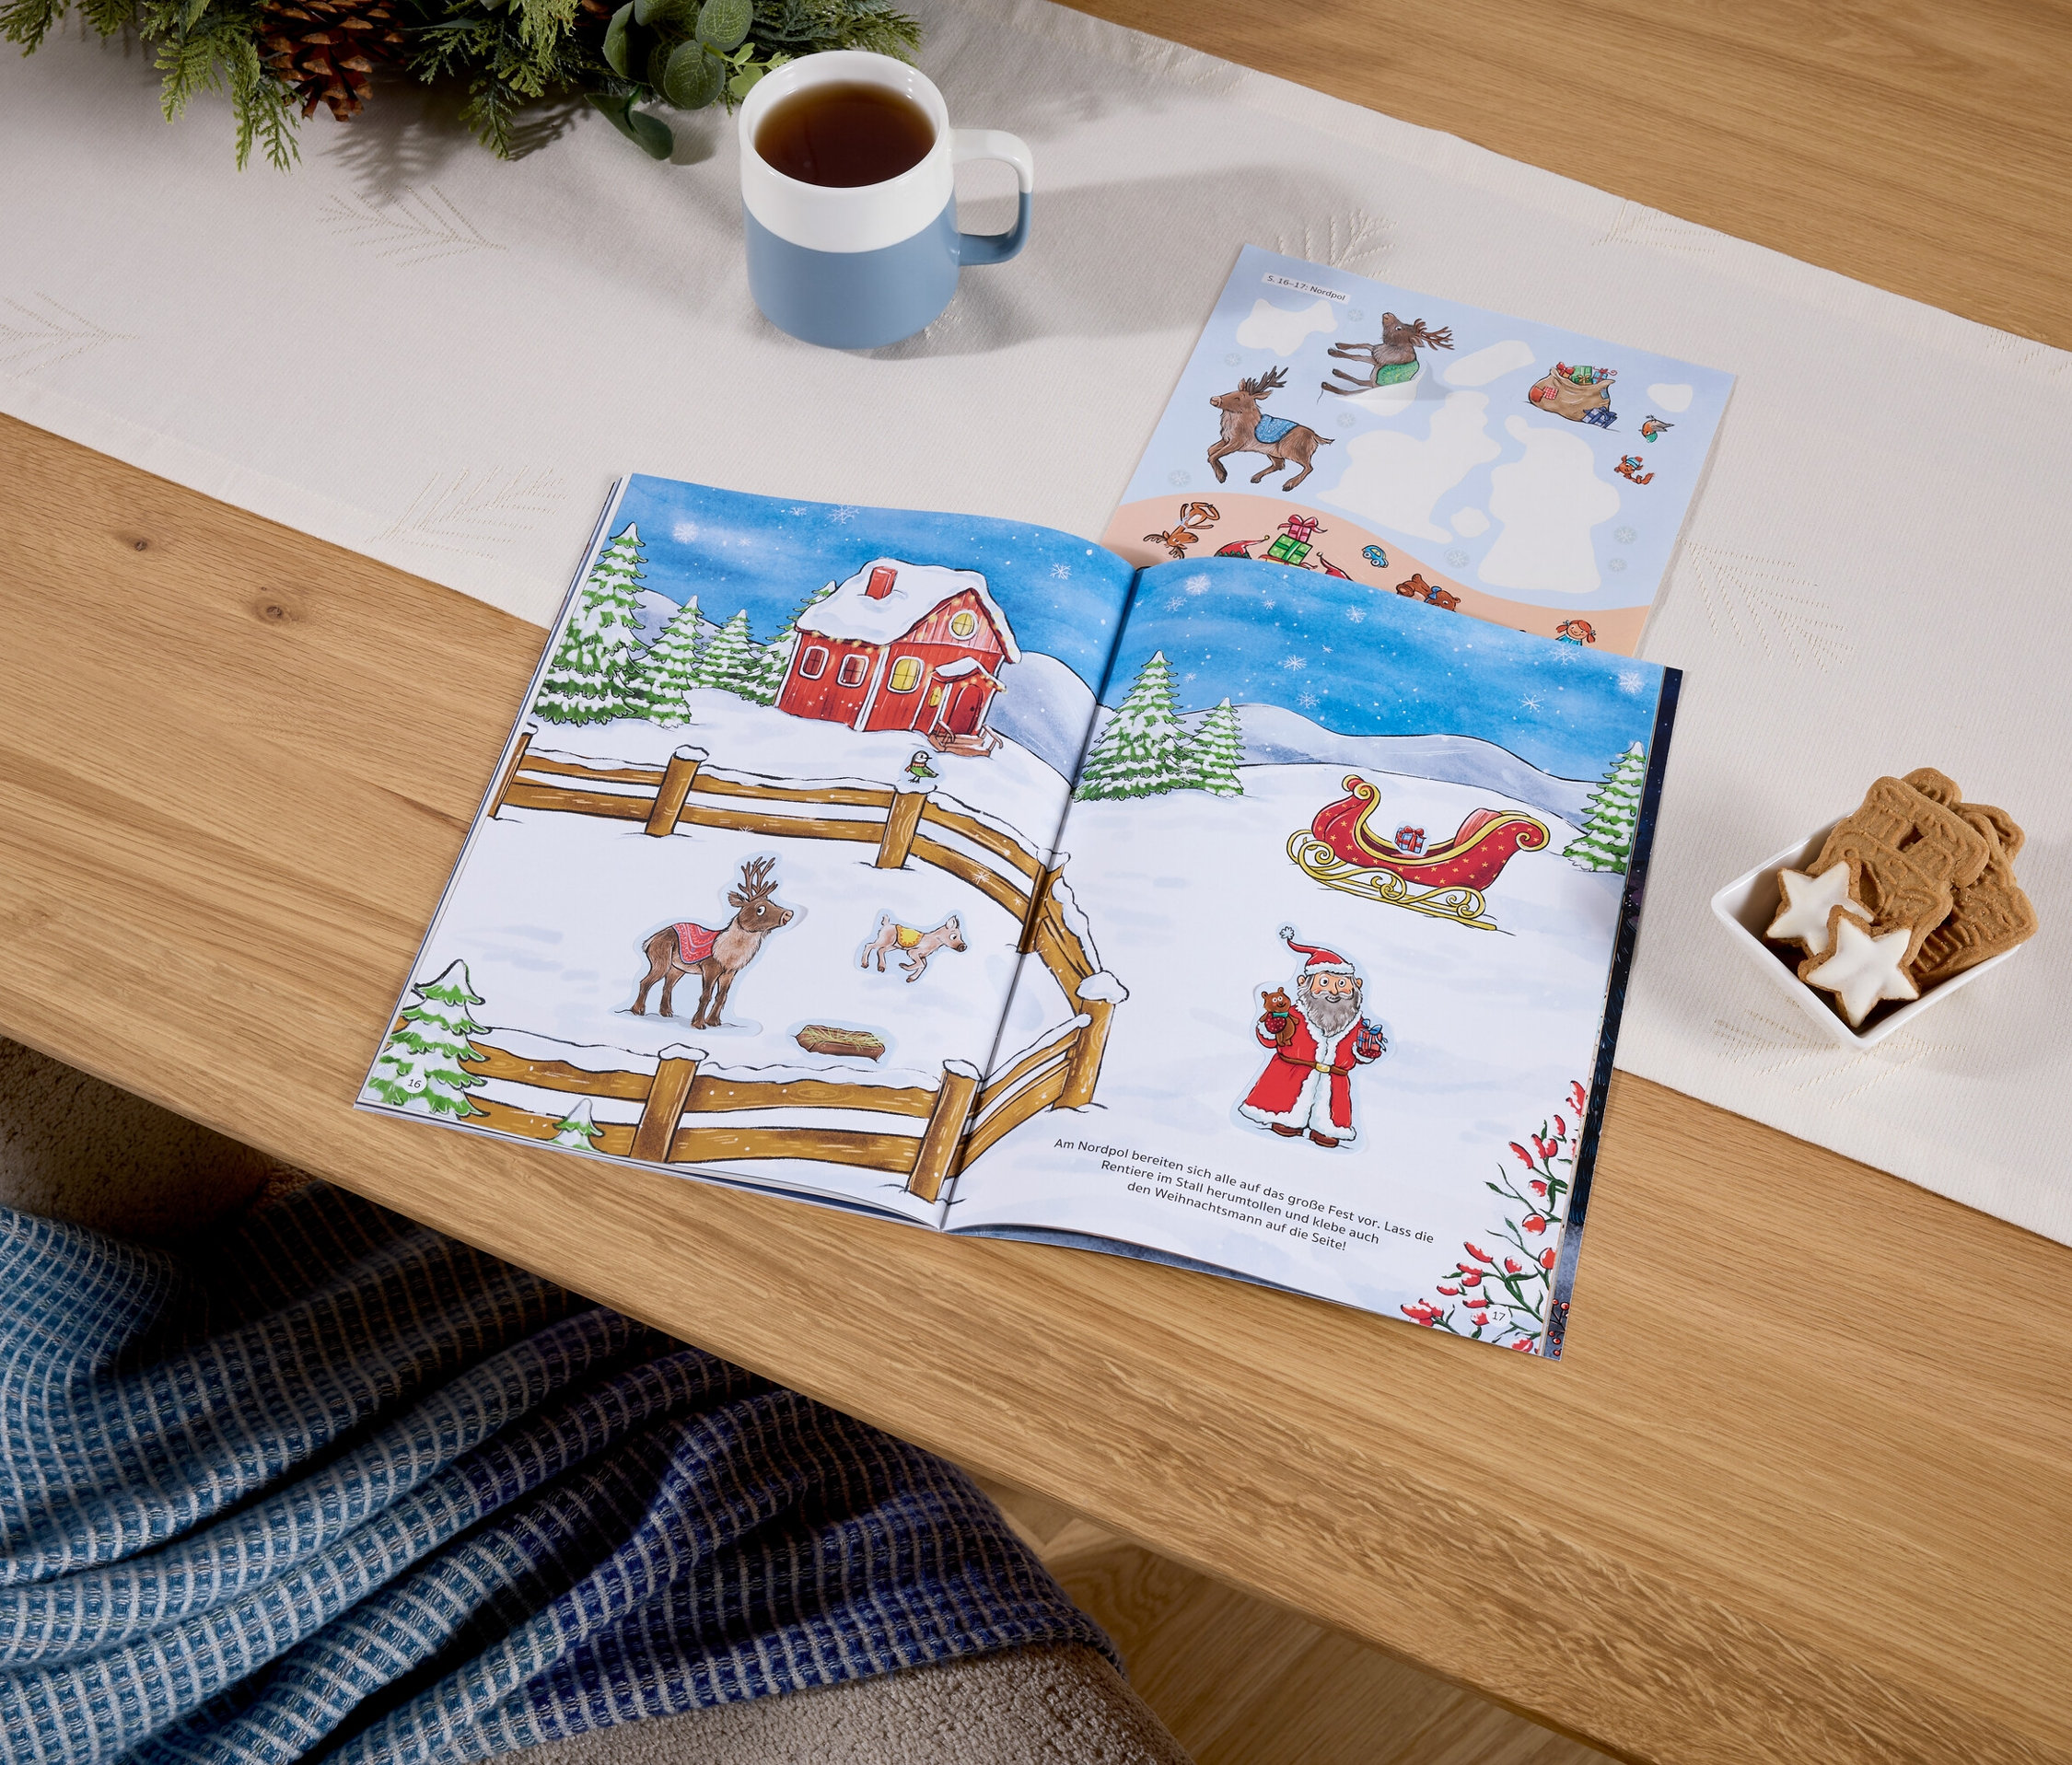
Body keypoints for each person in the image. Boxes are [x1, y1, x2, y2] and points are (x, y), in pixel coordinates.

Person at [1238, 928, 1390, 1148]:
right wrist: (1272, 1027)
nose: (1334, 992)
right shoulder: (1294, 1014)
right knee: (1284, 1107)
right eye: (1325, 982)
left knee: (1331, 1110)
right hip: (1290, 1074)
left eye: (1341, 984)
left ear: (1356, 985)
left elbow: (1359, 1054)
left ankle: (1326, 1129)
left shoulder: (1358, 1024)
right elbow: (1269, 1039)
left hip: (1334, 1080)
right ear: (1305, 983)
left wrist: (1366, 1051)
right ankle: (1285, 1120)